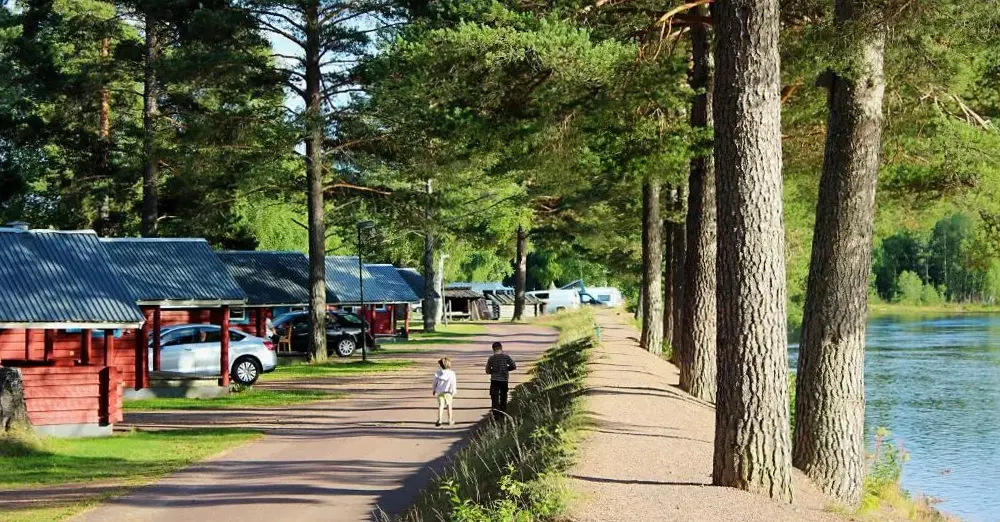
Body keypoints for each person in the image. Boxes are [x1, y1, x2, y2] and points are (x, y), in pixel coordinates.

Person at [485, 341, 516, 420]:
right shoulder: (506, 357)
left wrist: (492, 371)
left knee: (494, 398)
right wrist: (506, 369)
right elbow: (513, 366)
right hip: (504, 380)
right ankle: (503, 414)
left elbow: (487, 370)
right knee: (503, 397)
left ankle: (496, 415)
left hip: (494, 380)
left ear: (493, 349)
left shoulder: (491, 358)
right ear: (501, 348)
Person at [432, 357, 457, 427]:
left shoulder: (438, 373)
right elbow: (453, 383)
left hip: (440, 392)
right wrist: (454, 391)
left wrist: (434, 389)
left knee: (441, 406)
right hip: (448, 392)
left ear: (441, 365)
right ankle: (450, 420)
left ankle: (439, 420)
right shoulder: (452, 373)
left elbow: (434, 383)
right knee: (449, 406)